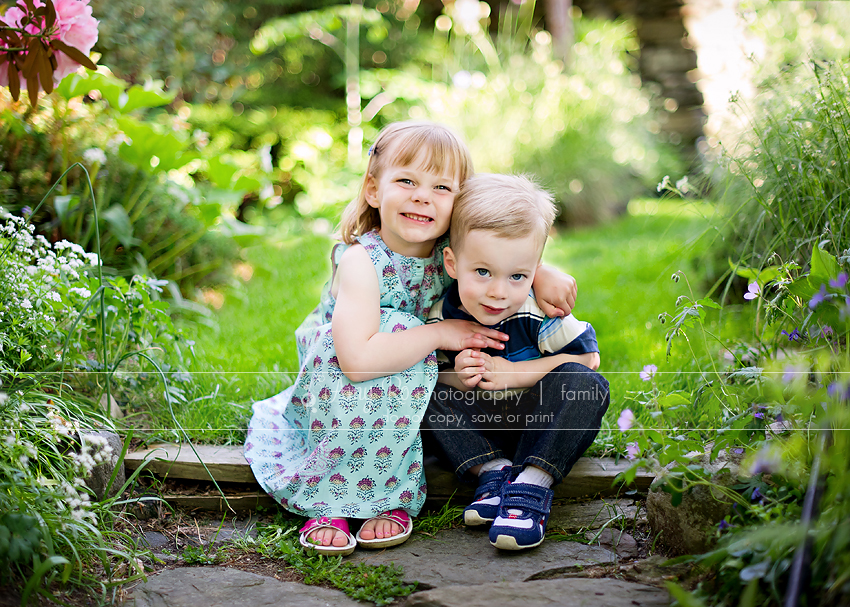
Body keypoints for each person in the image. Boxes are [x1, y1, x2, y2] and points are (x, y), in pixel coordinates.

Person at [245, 122, 578, 556]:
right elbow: (357, 361)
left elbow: (501, 242)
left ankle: (387, 495)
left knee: (412, 351)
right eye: (406, 181)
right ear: (373, 190)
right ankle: (328, 499)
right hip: (345, 380)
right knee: (398, 331)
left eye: (442, 187)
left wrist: (540, 270)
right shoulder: (363, 261)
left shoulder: (451, 253)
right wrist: (441, 332)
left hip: (409, 382)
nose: (423, 196)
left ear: (460, 205)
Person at [423, 173, 610, 551]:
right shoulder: (440, 316)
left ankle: (532, 484)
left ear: (536, 269)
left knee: (586, 388)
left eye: (518, 276)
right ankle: (492, 473)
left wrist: (513, 373)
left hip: (538, 422)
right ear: (452, 262)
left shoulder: (539, 310)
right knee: (420, 392)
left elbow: (588, 359)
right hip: (480, 428)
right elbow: (437, 376)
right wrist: (460, 376)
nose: (498, 292)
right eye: (482, 272)